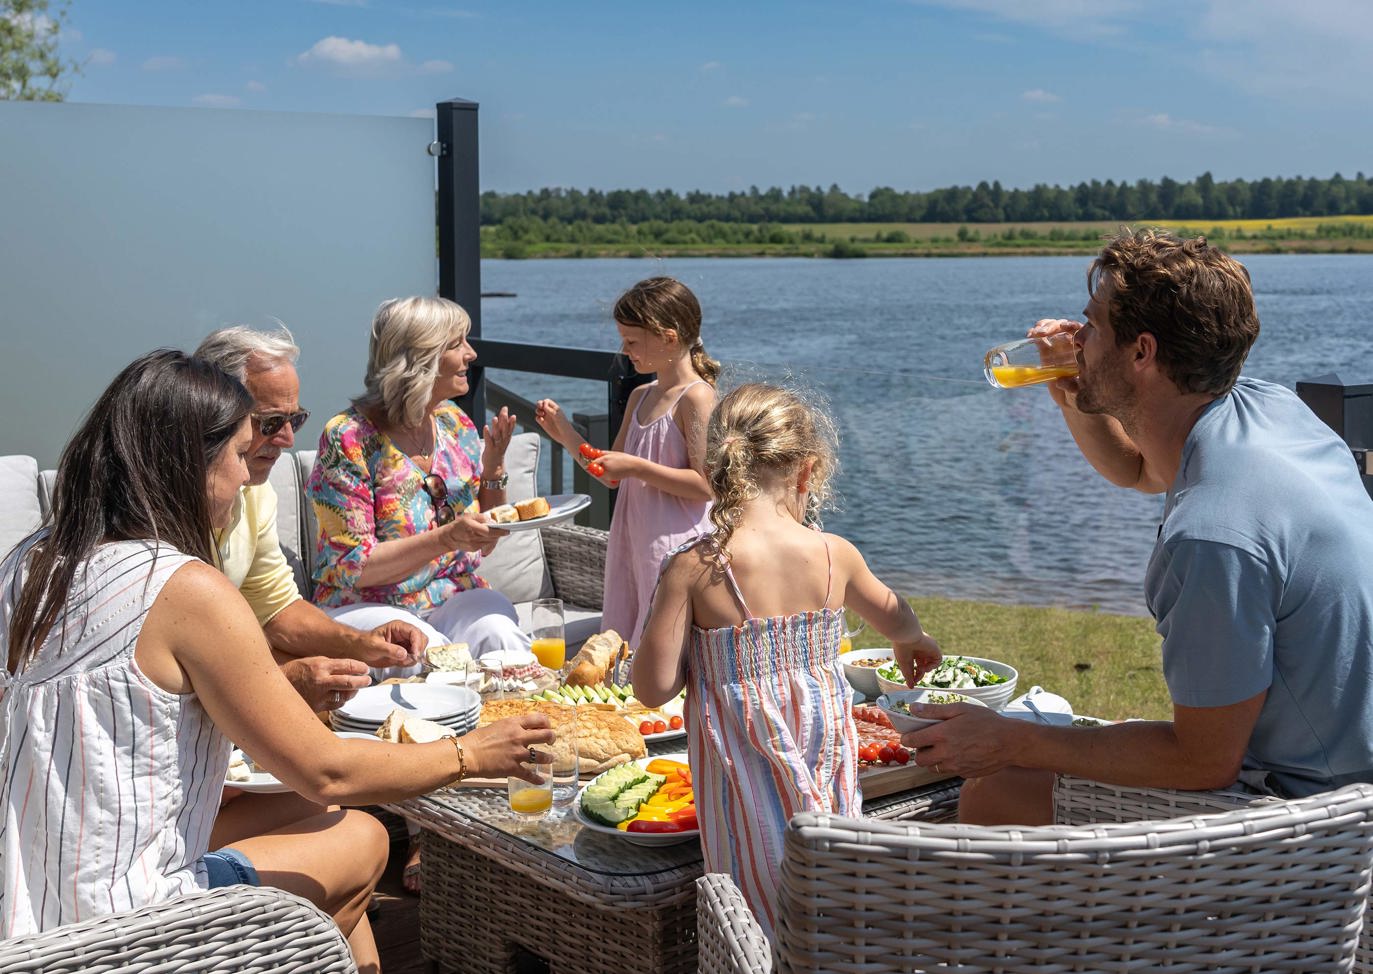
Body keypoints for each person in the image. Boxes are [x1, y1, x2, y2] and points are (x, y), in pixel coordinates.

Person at [0, 351, 553, 972]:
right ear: (188, 464)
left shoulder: (29, 563)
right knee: (362, 838)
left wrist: (280, 688)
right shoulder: (184, 587)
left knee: (316, 819)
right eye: (239, 455)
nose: (247, 476)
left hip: (26, 912)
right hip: (129, 929)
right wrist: (471, 755)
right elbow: (329, 772)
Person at [899, 229, 1373, 825]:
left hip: (1315, 815)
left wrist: (1010, 741)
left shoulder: (1211, 535)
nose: (1076, 338)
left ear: (1142, 352)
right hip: (1346, 764)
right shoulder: (1265, 408)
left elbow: (1203, 762)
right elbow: (1138, 470)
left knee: (1000, 788)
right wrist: (1075, 394)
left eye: (1091, 324)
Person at [632, 382, 942, 939]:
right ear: (807, 471)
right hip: (826, 774)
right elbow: (896, 615)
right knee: (836, 902)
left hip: (738, 792)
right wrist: (912, 639)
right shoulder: (833, 555)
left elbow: (653, 689)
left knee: (753, 921)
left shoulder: (697, 567)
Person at [194, 325, 427, 713]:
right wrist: (284, 677)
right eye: (269, 423)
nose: (288, 439)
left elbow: (277, 607)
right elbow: (175, 652)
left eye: (295, 420)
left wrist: (364, 642)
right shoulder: (155, 505)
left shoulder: (254, 491)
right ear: (211, 411)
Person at [307, 296, 526, 658]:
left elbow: (485, 544)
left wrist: (494, 469)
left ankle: (526, 712)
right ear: (419, 359)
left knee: (501, 635)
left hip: (449, 593)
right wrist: (445, 538)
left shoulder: (454, 423)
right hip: (367, 604)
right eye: (456, 344)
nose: (471, 354)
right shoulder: (349, 438)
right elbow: (354, 568)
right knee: (429, 652)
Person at [536, 276, 718, 649]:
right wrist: (567, 435)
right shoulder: (639, 396)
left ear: (669, 337)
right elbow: (610, 475)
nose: (625, 349)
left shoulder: (696, 398)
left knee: (663, 647)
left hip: (676, 546)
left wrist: (636, 467)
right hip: (632, 541)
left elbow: (705, 486)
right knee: (626, 643)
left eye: (633, 341)